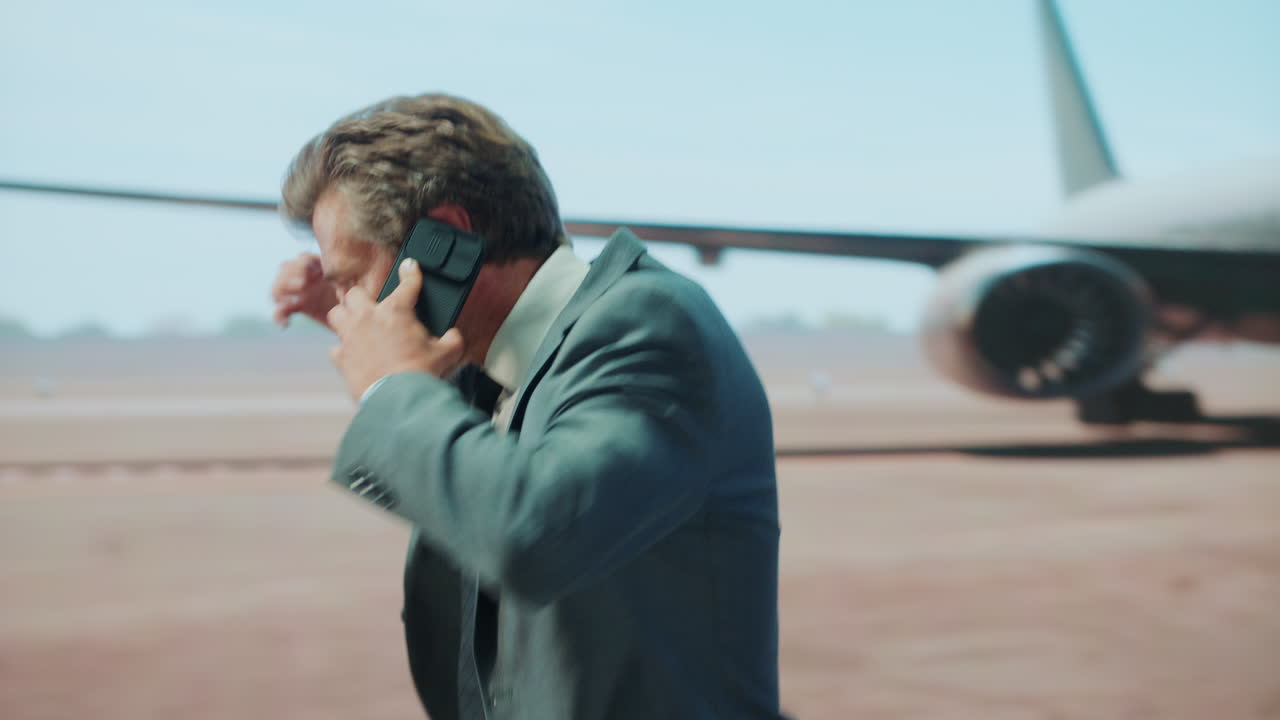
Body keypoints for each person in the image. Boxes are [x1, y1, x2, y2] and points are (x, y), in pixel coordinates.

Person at [270, 93, 784, 720]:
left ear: (445, 240)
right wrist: (381, 326)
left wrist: (391, 387)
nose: (349, 307)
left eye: (352, 279)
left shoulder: (646, 324)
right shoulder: (508, 366)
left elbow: (533, 530)